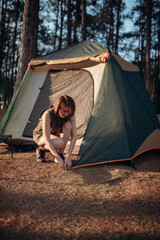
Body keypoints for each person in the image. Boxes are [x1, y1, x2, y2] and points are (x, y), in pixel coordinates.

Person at [33, 95, 77, 170]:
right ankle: (41, 148)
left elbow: (74, 136)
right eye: (64, 111)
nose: (66, 114)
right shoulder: (47, 114)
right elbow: (47, 139)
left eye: (69, 112)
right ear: (58, 107)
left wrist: (68, 156)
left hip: (54, 134)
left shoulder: (70, 114)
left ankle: (60, 153)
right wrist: (58, 159)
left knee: (68, 125)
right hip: (41, 135)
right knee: (60, 143)